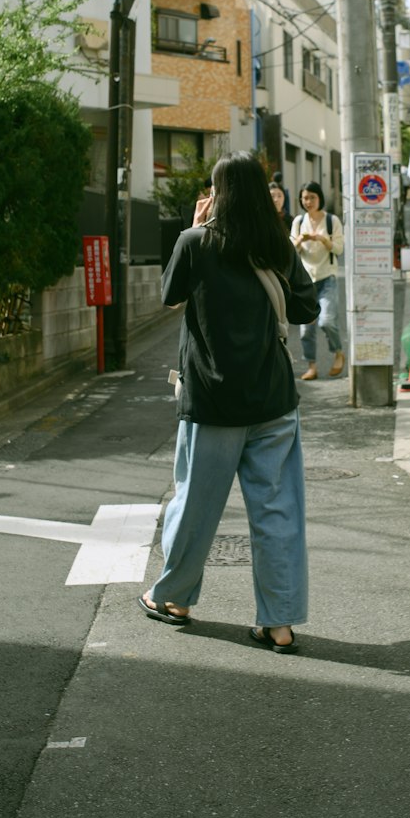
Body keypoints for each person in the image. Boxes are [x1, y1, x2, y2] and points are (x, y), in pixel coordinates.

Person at [139, 151, 318, 654]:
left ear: (217, 194)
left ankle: (173, 598)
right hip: (273, 401)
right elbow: (307, 306)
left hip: (212, 401)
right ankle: (279, 623)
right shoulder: (276, 247)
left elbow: (169, 294)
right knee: (277, 512)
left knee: (194, 504)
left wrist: (189, 229)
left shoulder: (197, 243)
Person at [291, 181, 345, 380]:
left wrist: (322, 239)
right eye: (305, 197)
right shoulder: (298, 222)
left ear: (320, 198)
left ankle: (338, 352)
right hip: (305, 281)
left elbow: (339, 249)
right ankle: (311, 365)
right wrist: (300, 241)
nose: (308, 201)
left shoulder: (332, 221)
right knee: (306, 329)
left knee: (327, 320)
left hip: (327, 277)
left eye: (312, 197)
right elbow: (292, 252)